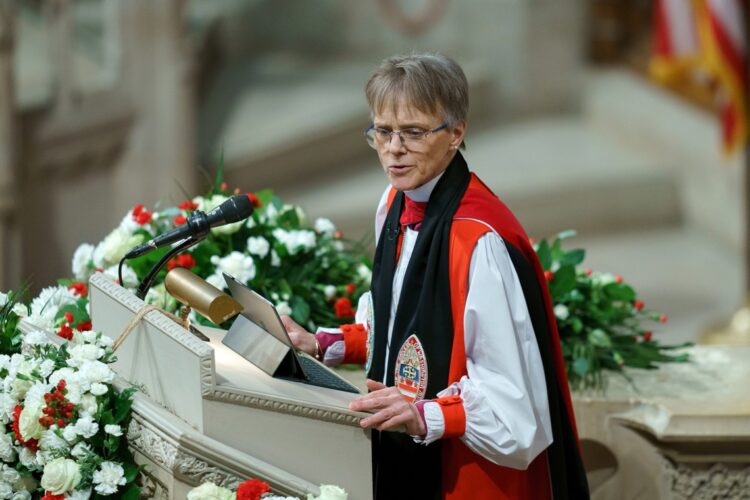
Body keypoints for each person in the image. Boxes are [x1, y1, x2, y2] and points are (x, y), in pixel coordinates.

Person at [281, 53, 589, 500]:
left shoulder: (478, 242)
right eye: (382, 131)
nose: (394, 148)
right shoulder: (394, 204)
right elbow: (402, 328)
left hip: (467, 475)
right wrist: (325, 344)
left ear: (456, 133)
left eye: (413, 132)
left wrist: (425, 415)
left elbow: (513, 408)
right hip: (404, 459)